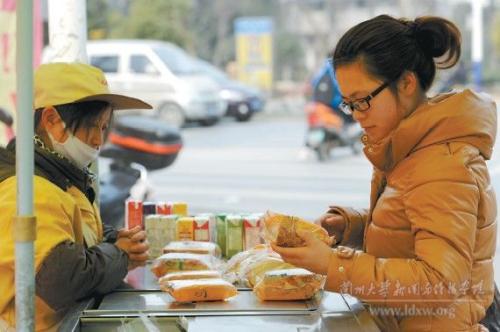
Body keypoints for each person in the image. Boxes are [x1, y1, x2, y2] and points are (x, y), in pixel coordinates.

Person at [272, 15, 498, 331]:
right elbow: (415, 225)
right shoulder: (408, 147)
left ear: (406, 83)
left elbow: (440, 283)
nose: (357, 117)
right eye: (349, 105)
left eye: (362, 101)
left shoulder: (442, 161)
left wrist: (332, 265)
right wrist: (350, 226)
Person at [0, 62, 152, 331]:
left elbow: (74, 238)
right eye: (92, 126)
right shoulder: (27, 190)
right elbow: (62, 277)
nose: (98, 140)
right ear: (51, 120)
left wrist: (113, 238)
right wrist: (120, 256)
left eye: (104, 128)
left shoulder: (65, 178)